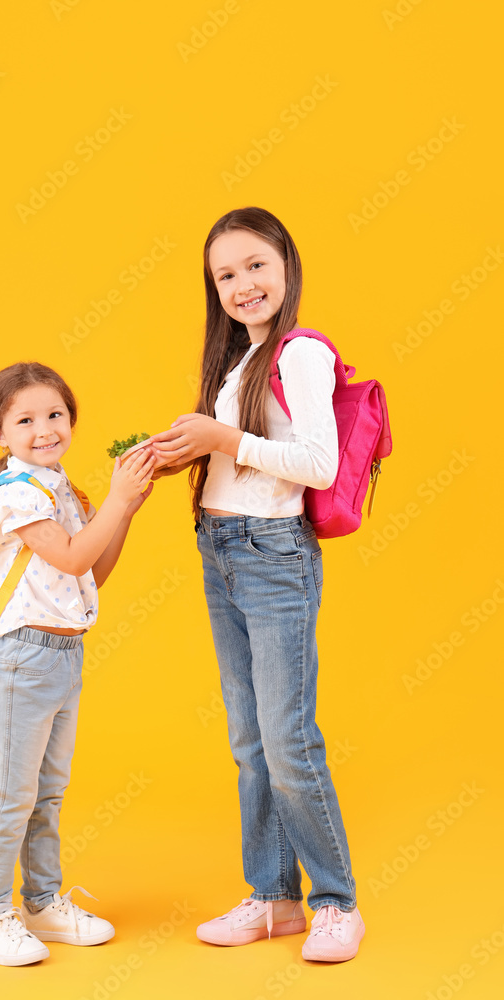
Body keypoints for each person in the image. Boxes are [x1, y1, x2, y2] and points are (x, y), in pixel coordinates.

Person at [149, 208, 365, 962]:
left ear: (285, 264)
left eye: (255, 265)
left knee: (285, 738)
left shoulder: (299, 352)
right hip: (221, 548)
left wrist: (222, 439)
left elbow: (317, 465)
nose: (242, 284)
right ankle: (274, 898)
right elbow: (244, 458)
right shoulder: (239, 360)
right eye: (225, 275)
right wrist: (186, 453)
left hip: (272, 556)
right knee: (249, 741)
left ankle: (336, 901)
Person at [0, 361, 155, 967]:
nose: (45, 428)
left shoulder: (58, 489)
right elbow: (76, 556)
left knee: (47, 793)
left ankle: (42, 902)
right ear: (0, 433)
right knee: (13, 794)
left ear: (72, 420)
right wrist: (118, 495)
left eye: (55, 414)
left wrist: (124, 511)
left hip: (64, 655)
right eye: (25, 419)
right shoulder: (18, 494)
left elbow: (90, 576)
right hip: (21, 659)